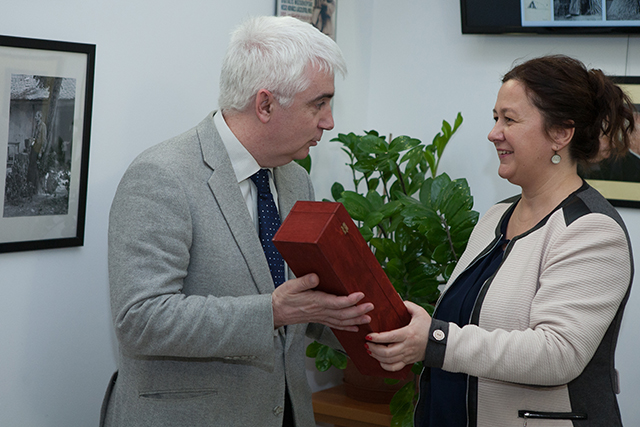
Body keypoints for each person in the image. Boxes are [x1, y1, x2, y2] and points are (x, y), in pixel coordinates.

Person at [100, 16, 374, 427]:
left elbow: (302, 304)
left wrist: (376, 327)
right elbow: (140, 319)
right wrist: (272, 312)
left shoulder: (296, 180)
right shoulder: (162, 176)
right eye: (318, 104)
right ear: (265, 105)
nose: (329, 121)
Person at [365, 55, 634, 426]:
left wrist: (436, 340)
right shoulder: (496, 216)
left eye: (509, 119)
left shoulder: (591, 229)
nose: (494, 133)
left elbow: (557, 353)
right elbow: (465, 319)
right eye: (495, 118)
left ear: (560, 133)